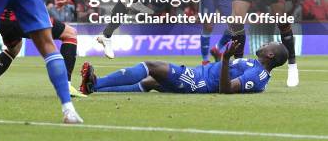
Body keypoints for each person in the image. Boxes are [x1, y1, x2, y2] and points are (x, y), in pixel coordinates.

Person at [80, 41, 288, 95]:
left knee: (153, 67)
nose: (265, 43)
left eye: (270, 44)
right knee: (150, 82)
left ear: (270, 54)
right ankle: (94, 87)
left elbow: (226, 89)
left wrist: (225, 59)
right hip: (200, 74)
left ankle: (97, 83)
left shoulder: (257, 75)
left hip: (198, 82)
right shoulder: (253, 63)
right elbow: (223, 71)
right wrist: (219, 57)